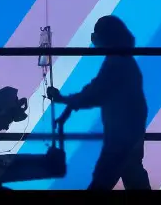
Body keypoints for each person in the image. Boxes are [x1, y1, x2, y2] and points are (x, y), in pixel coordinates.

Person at [46, 15, 151, 191]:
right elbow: (96, 90)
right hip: (131, 134)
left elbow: (95, 92)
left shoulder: (116, 63)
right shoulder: (123, 61)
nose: (94, 39)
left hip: (120, 138)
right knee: (134, 177)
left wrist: (65, 99)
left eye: (97, 33)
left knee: (103, 182)